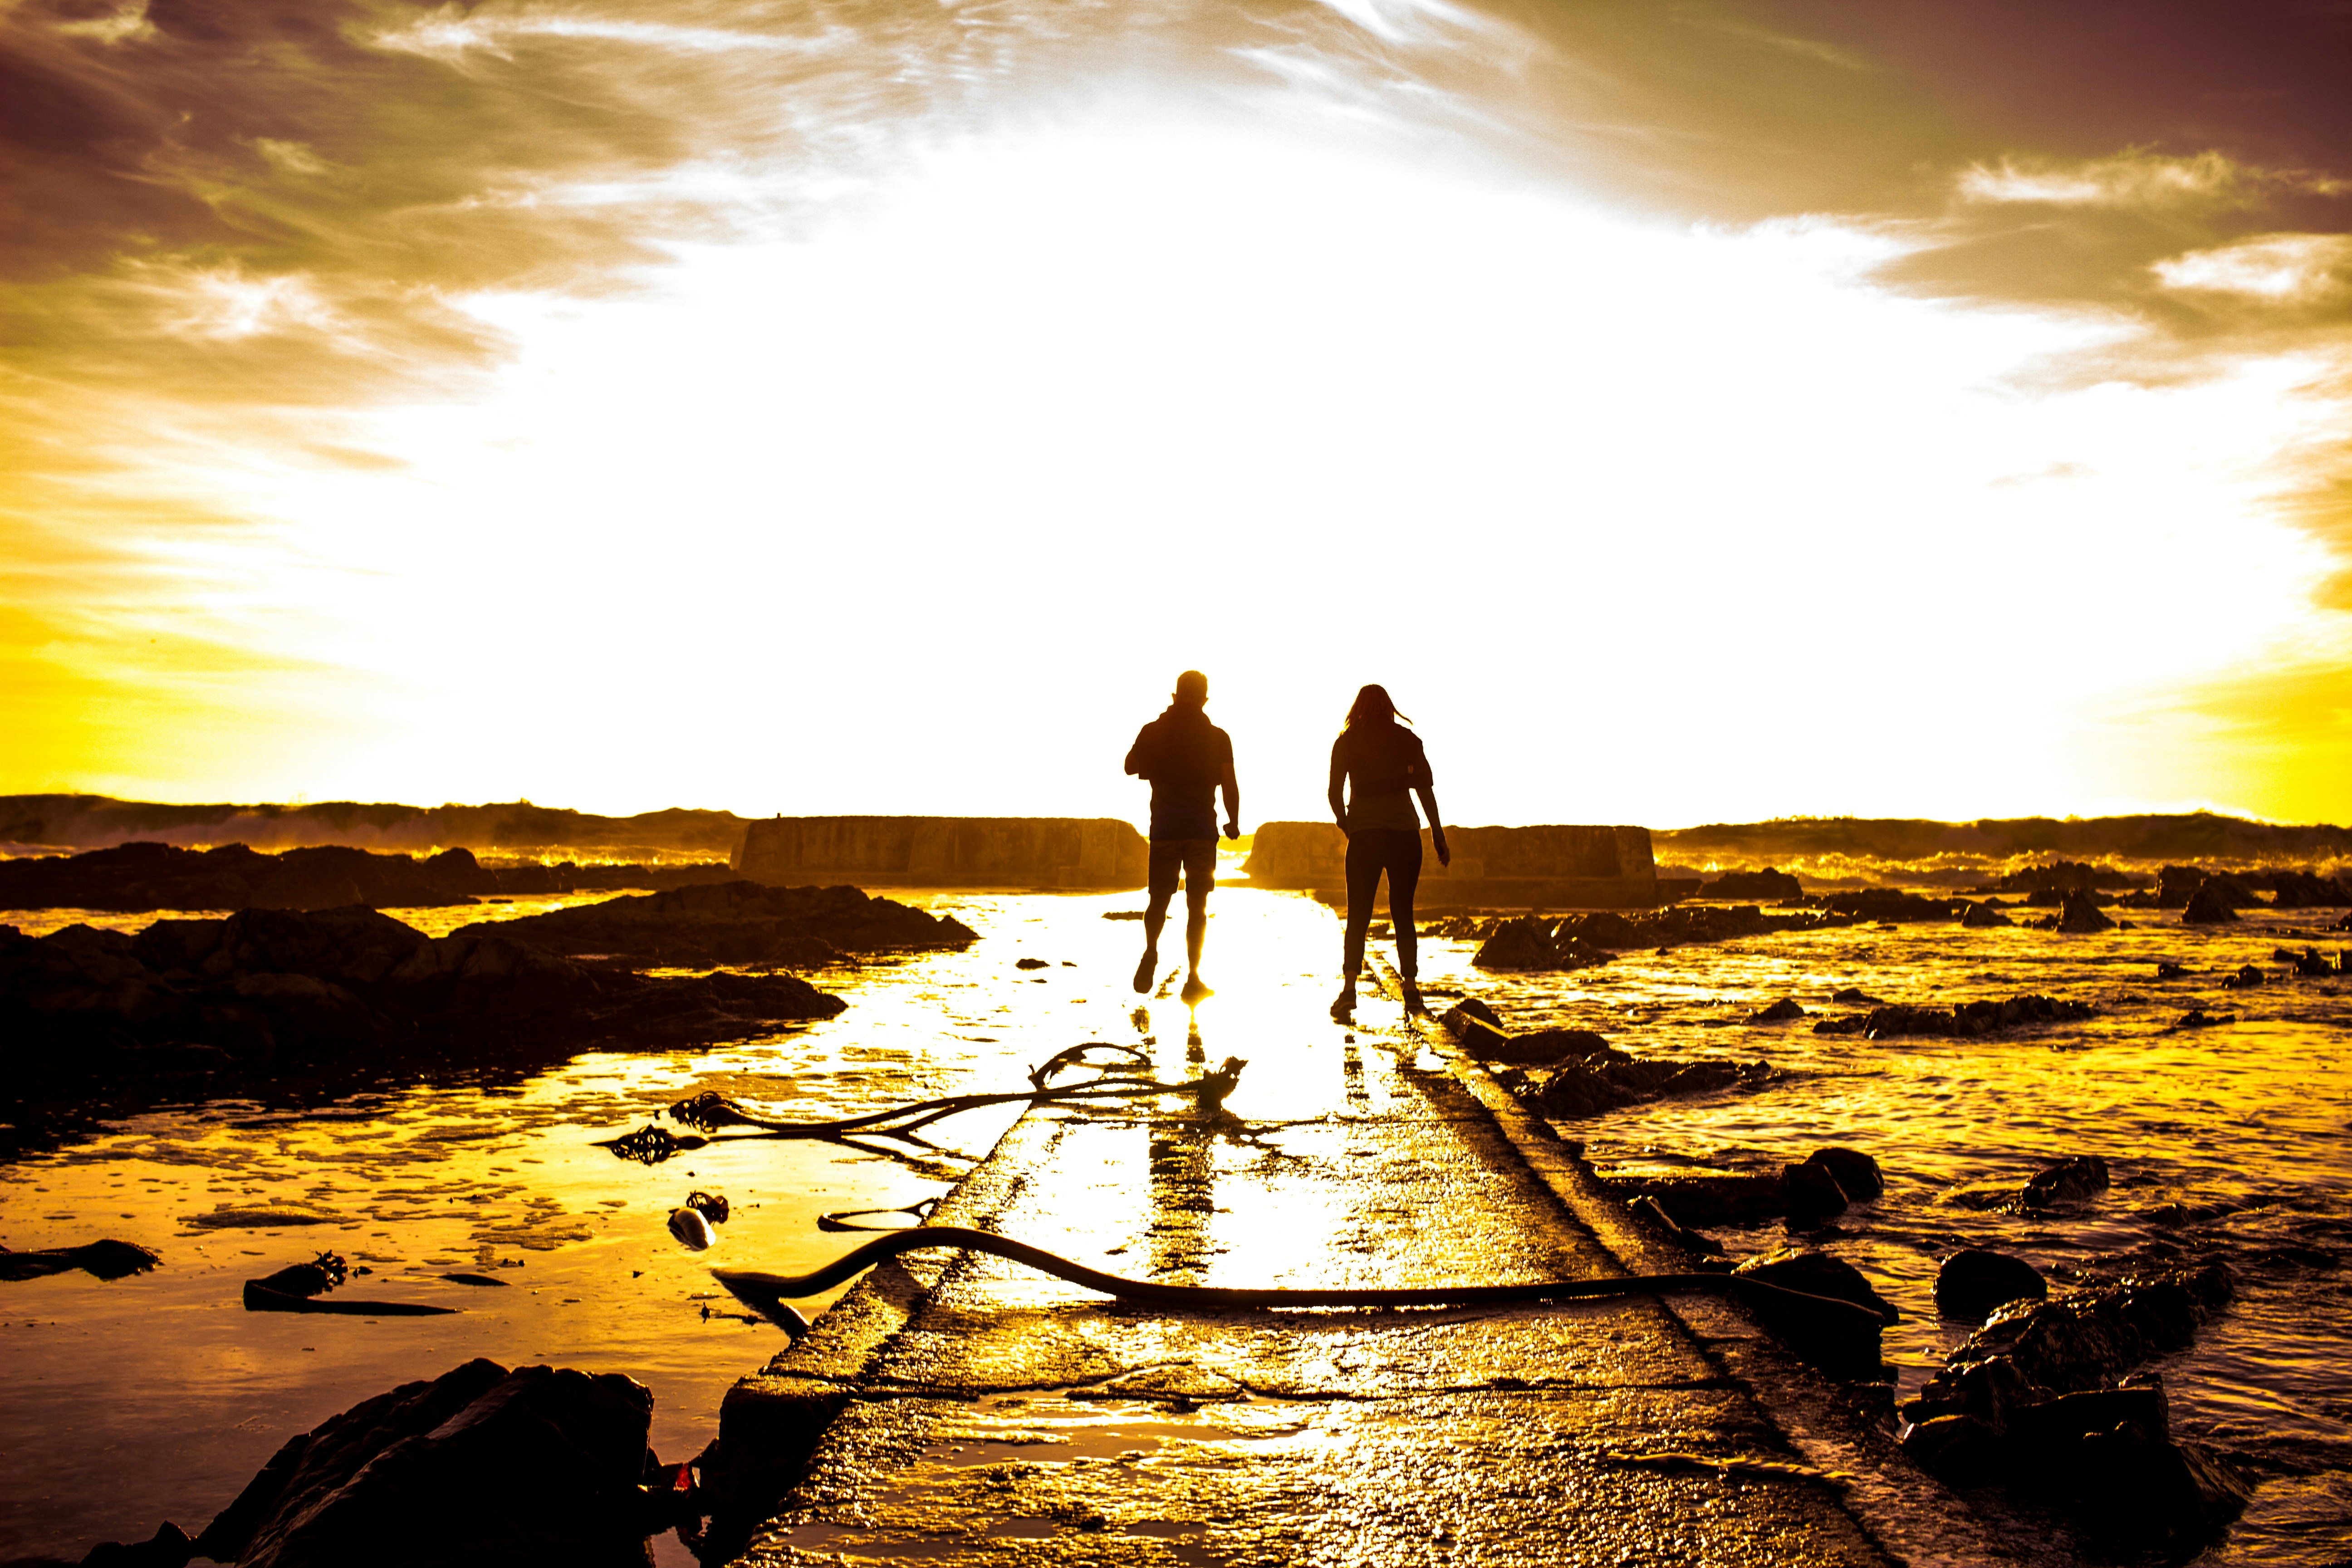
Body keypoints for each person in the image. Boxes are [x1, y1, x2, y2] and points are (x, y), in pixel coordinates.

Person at [1328, 683, 1448, 1018]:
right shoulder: (1408, 741)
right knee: (1403, 913)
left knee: (1359, 915)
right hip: (1405, 835)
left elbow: (1334, 794)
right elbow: (1425, 793)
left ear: (1358, 707)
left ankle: (1350, 989)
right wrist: (1438, 835)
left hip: (1364, 837)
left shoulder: (1346, 742)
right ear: (1389, 707)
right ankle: (1410, 989)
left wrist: (1347, 824)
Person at [1124, 670, 1239, 1004]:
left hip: (1164, 831)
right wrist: (1233, 821)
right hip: (1202, 832)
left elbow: (1130, 766)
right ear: (1205, 700)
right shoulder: (1218, 738)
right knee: (1197, 906)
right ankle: (1193, 977)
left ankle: (1150, 951)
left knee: (1158, 899)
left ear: (1174, 697)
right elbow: (1229, 783)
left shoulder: (1153, 731)